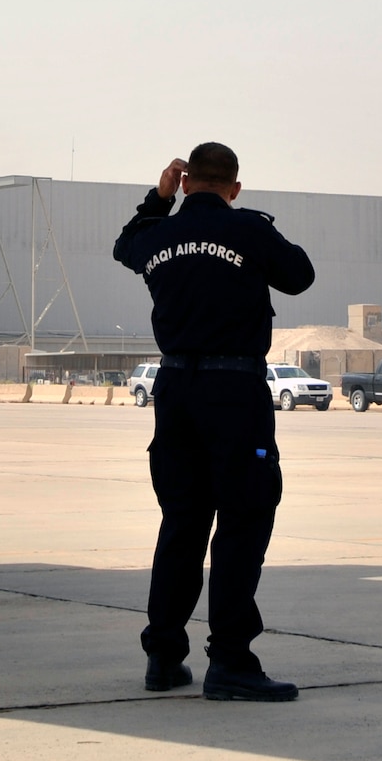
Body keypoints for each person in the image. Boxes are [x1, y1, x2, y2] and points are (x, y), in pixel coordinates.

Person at [114, 142, 314, 703]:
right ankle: (229, 660)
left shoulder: (155, 235)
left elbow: (123, 246)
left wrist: (158, 202)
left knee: (182, 521)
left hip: (174, 390)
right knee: (244, 519)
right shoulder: (247, 230)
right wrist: (247, 226)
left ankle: (162, 657)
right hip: (234, 393)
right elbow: (299, 276)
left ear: (184, 182)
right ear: (234, 186)